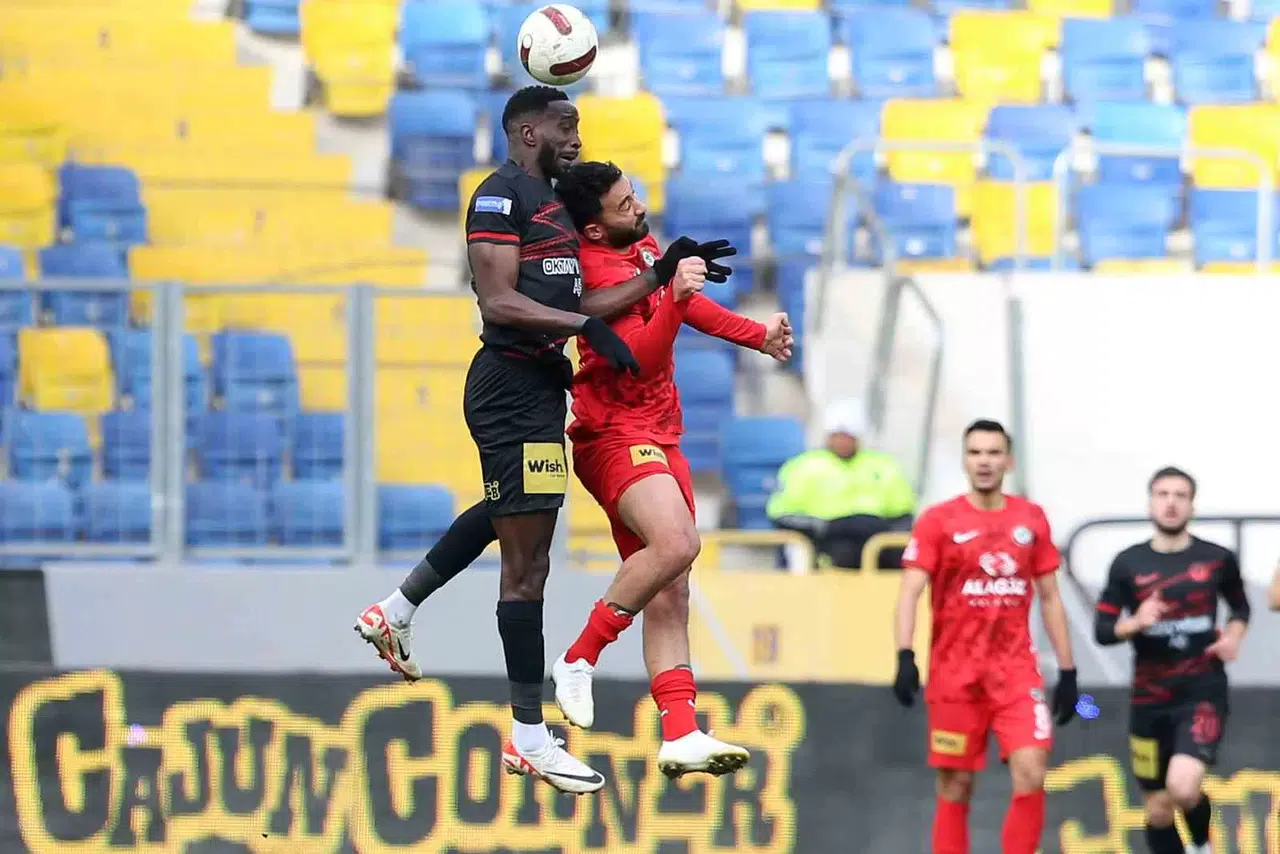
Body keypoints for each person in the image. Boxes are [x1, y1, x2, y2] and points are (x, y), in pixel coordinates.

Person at [351, 88, 736, 794]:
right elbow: (500, 301)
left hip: (537, 388)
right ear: (528, 132)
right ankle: (528, 737)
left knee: (512, 517)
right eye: (566, 126)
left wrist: (655, 275)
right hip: (509, 385)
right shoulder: (499, 197)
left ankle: (396, 610)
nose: (577, 137)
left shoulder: (557, 204)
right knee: (527, 564)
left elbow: (580, 301)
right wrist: (585, 329)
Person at [546, 160, 793, 778]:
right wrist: (677, 297)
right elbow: (640, 357)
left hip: (660, 431)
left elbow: (685, 306)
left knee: (671, 587)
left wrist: (756, 335)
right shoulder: (596, 271)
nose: (638, 206)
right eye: (624, 203)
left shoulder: (640, 245)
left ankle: (680, 731)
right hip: (614, 433)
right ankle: (580, 656)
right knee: (679, 542)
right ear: (594, 229)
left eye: (633, 194)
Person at [892, 419, 1079, 854]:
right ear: (964, 460)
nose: (984, 462)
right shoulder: (938, 520)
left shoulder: (1030, 518)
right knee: (956, 784)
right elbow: (910, 591)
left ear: (1008, 461)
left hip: (1016, 672)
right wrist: (904, 655)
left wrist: (1068, 670)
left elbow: (1050, 596)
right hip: (955, 675)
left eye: (994, 453)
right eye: (975, 452)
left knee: (1032, 769)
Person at [1093, 466, 1252, 854]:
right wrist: (1136, 623)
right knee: (1159, 809)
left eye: (1180, 495)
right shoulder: (1127, 563)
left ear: (1192, 506)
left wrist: (1233, 637)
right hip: (1148, 700)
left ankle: (1201, 844)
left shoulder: (1216, 558)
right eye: (1163, 494)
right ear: (1150, 503)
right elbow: (1103, 630)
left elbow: (1240, 608)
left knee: (1183, 787)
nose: (1171, 503)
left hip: (1201, 692)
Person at [766, 398, 916, 568]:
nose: (842, 442)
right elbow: (781, 514)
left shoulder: (883, 466)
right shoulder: (803, 466)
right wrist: (828, 527)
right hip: (822, 542)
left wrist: (878, 528)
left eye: (848, 436)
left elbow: (903, 514)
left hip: (875, 545)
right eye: (837, 435)